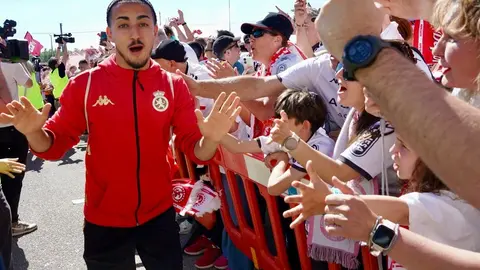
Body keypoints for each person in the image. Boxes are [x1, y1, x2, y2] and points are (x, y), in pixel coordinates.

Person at [0, 0, 240, 269]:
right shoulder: (86, 84)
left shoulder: (174, 86)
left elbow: (196, 150)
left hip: (159, 216)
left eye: (143, 23)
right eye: (124, 25)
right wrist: (34, 132)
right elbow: (53, 147)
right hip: (104, 222)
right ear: (110, 33)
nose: (135, 33)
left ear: (154, 30)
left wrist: (212, 138)